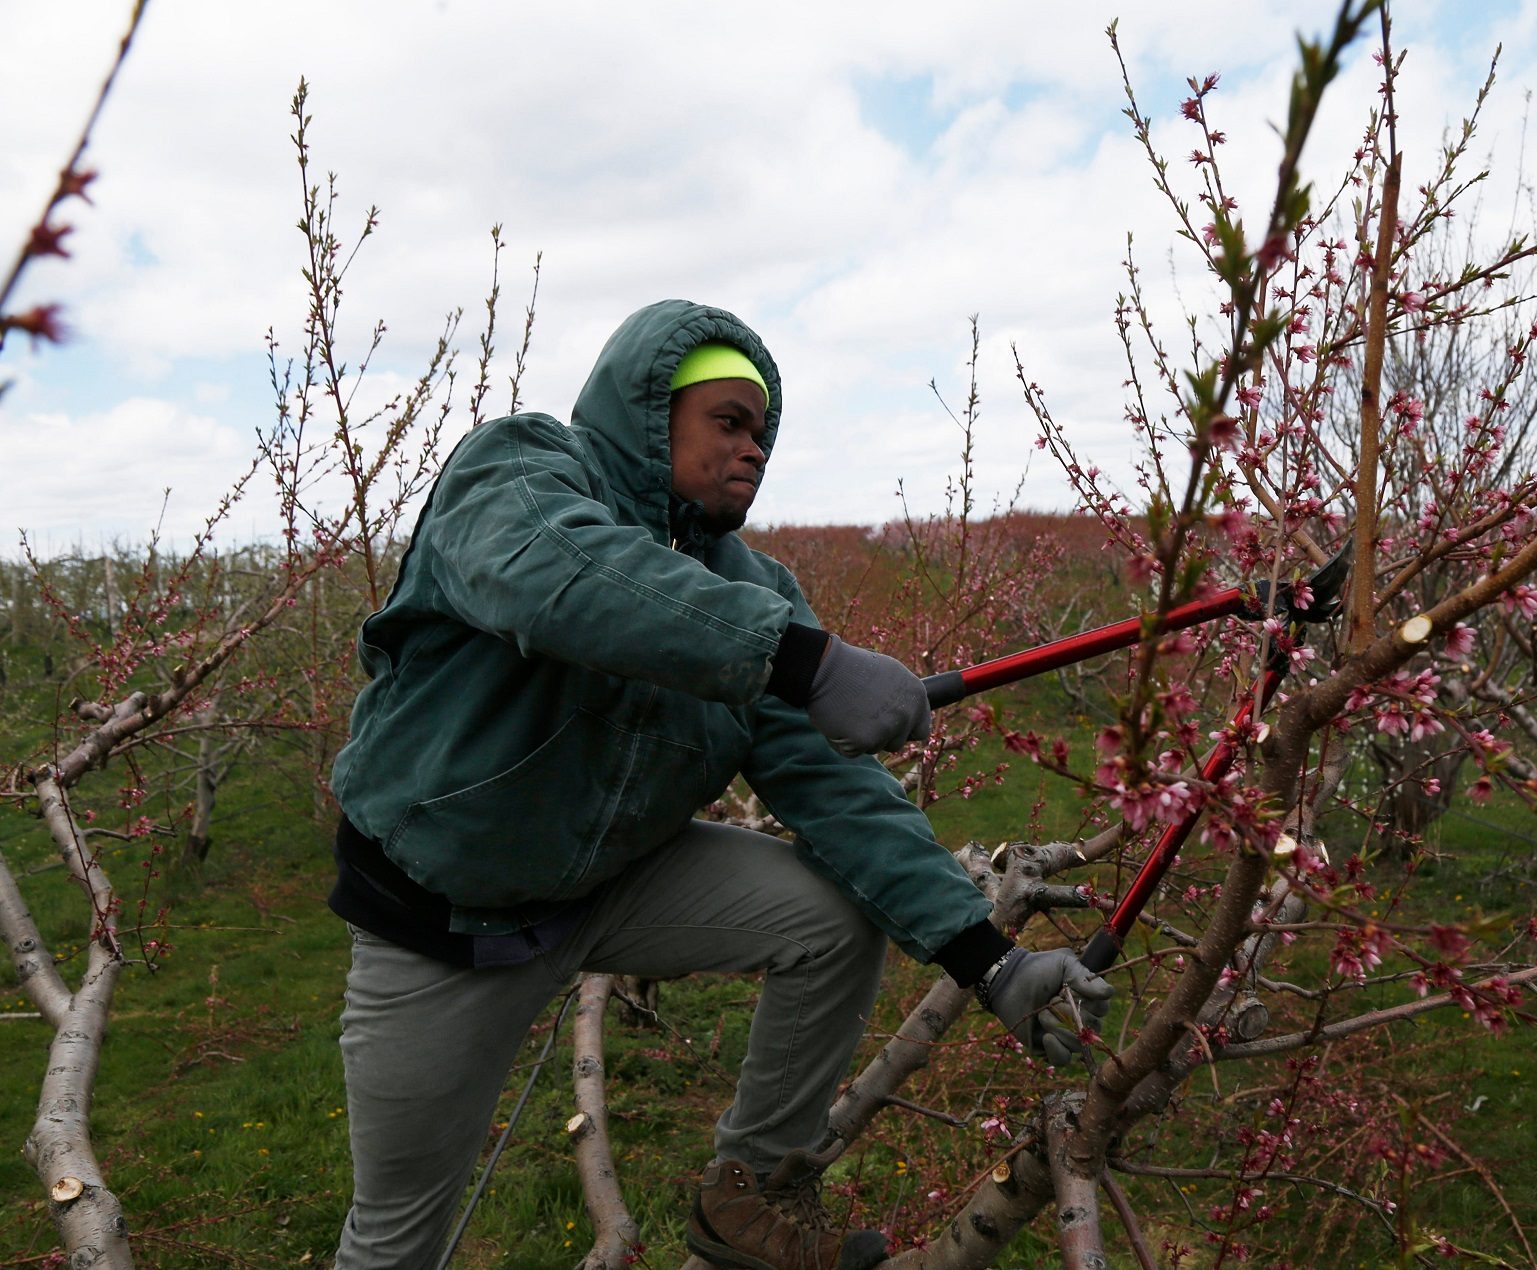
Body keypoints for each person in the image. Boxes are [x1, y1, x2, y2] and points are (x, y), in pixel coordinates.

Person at [326, 298, 1112, 1269]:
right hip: (437, 918)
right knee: (397, 1235)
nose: (753, 449)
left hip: (606, 887)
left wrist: (987, 958)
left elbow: (839, 795)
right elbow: (557, 576)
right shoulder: (518, 470)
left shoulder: (757, 591)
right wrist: (801, 659)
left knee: (829, 916)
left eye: (765, 433)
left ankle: (750, 1196)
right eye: (727, 422)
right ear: (649, 412)